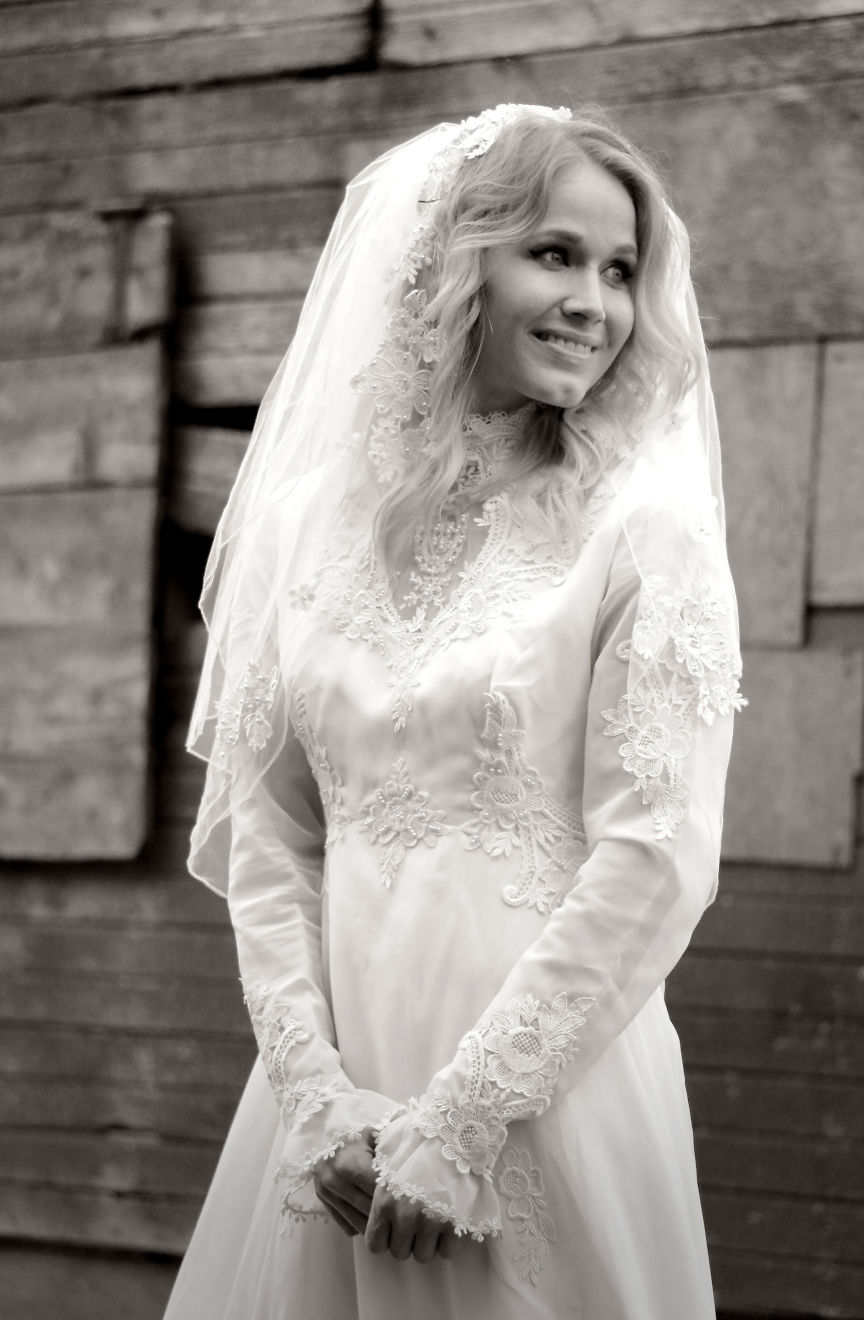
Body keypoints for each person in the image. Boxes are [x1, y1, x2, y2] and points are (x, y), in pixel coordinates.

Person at [163, 103, 745, 1320]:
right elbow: (269, 833)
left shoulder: (642, 527)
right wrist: (314, 1093)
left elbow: (655, 857)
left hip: (545, 1091)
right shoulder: (299, 524)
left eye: (621, 268)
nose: (595, 300)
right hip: (331, 1106)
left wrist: (465, 1121)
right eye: (554, 252)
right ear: (447, 259)